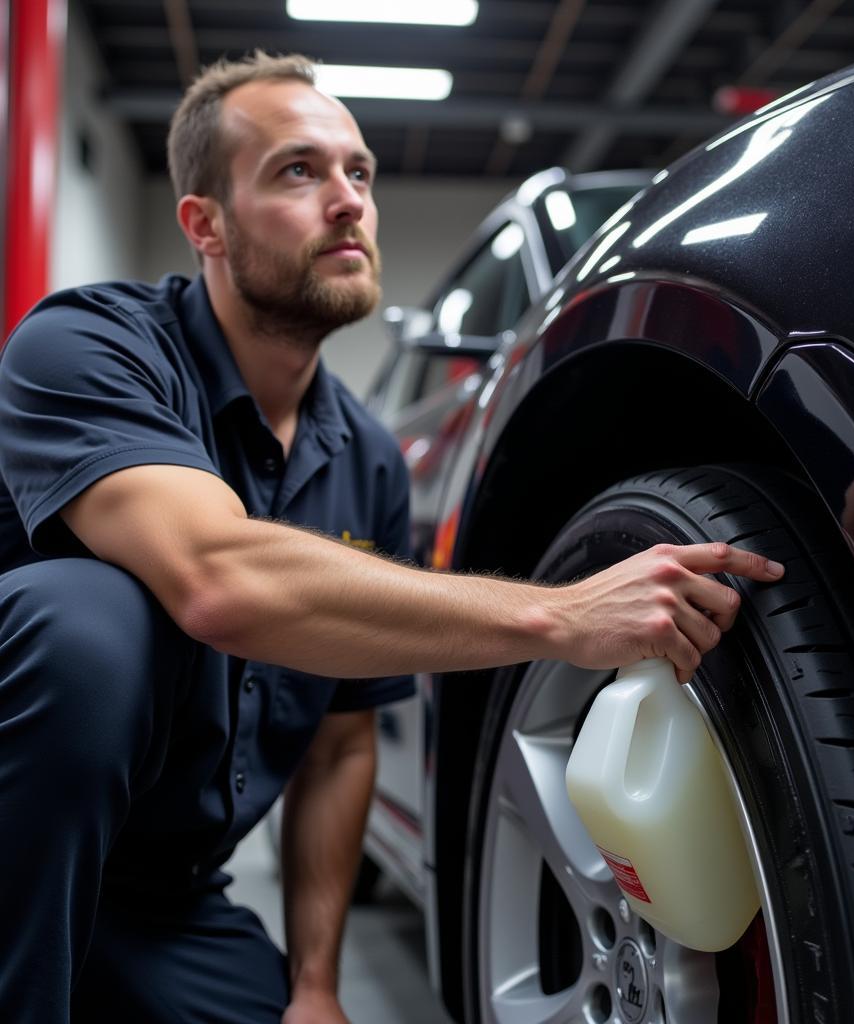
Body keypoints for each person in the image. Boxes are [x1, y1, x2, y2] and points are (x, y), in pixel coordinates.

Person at [0, 52, 785, 1024]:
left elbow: (338, 744)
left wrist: (317, 984)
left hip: (164, 900)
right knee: (89, 616)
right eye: (298, 171)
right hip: (22, 848)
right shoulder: (87, 347)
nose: (346, 202)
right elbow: (216, 577)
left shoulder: (365, 459)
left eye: (359, 173)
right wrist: (562, 614)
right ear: (204, 223)